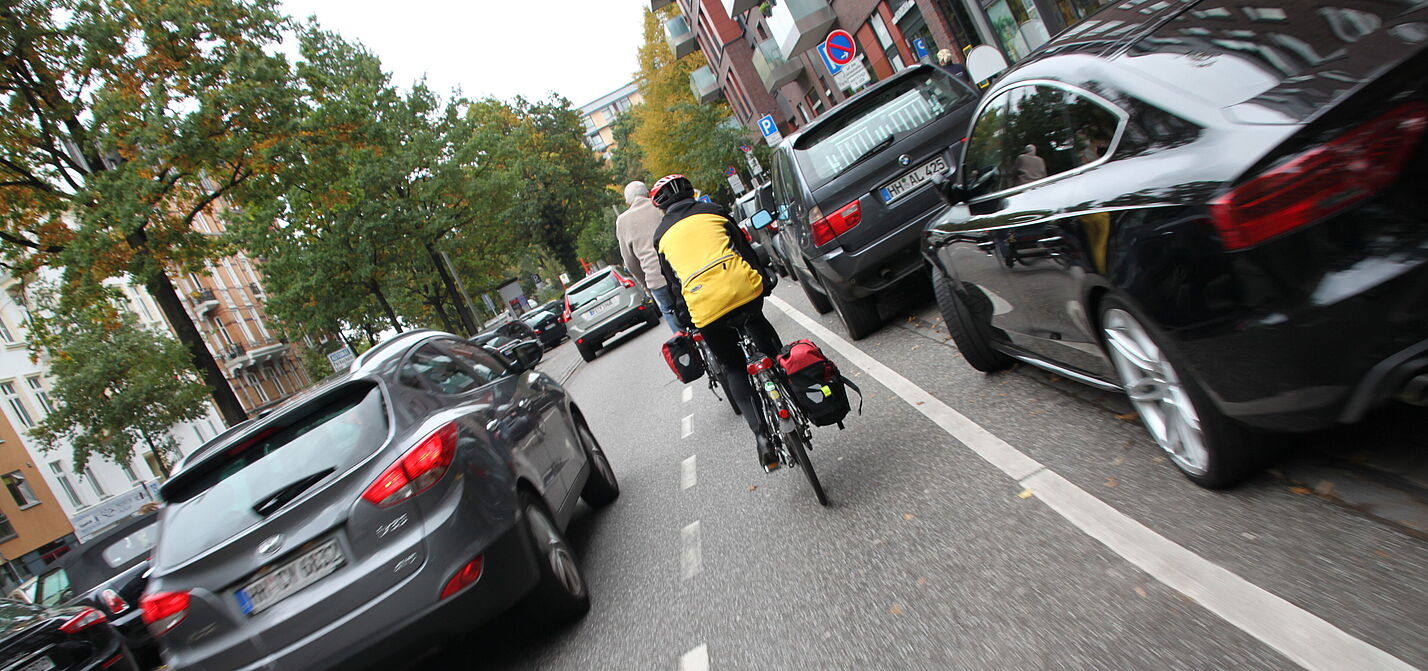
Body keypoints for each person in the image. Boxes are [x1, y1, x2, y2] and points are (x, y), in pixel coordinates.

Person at [649, 174, 784, 472]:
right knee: (763, 334)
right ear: (691, 193)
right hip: (742, 290)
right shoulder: (714, 211)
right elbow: (745, 251)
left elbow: (673, 284)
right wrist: (763, 278)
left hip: (705, 307)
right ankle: (791, 392)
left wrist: (684, 317)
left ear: (661, 207)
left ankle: (762, 438)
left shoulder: (661, 236)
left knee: (734, 367)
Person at [616, 181, 681, 332]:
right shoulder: (660, 206)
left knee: (669, 310)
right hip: (679, 270)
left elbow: (630, 262)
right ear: (647, 193)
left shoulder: (622, 222)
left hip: (655, 279)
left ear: (627, 202)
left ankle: (682, 342)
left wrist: (646, 283)